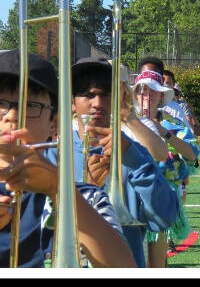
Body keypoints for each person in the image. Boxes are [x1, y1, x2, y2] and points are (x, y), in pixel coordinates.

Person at [0, 50, 134, 267]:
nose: (13, 115)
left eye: (30, 105)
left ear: (54, 123)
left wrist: (60, 190)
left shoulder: (89, 200)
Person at [72, 58, 177, 268]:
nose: (97, 103)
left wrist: (134, 159)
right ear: (72, 102)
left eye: (106, 94)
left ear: (117, 99)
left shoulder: (134, 152)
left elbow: (166, 217)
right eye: (88, 94)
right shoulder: (55, 155)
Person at [132, 68, 198, 267]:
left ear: (161, 95)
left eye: (152, 90)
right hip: (131, 194)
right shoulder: (127, 120)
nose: (146, 94)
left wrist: (163, 132)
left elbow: (192, 154)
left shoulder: (171, 122)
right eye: (141, 89)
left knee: (156, 260)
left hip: (160, 194)